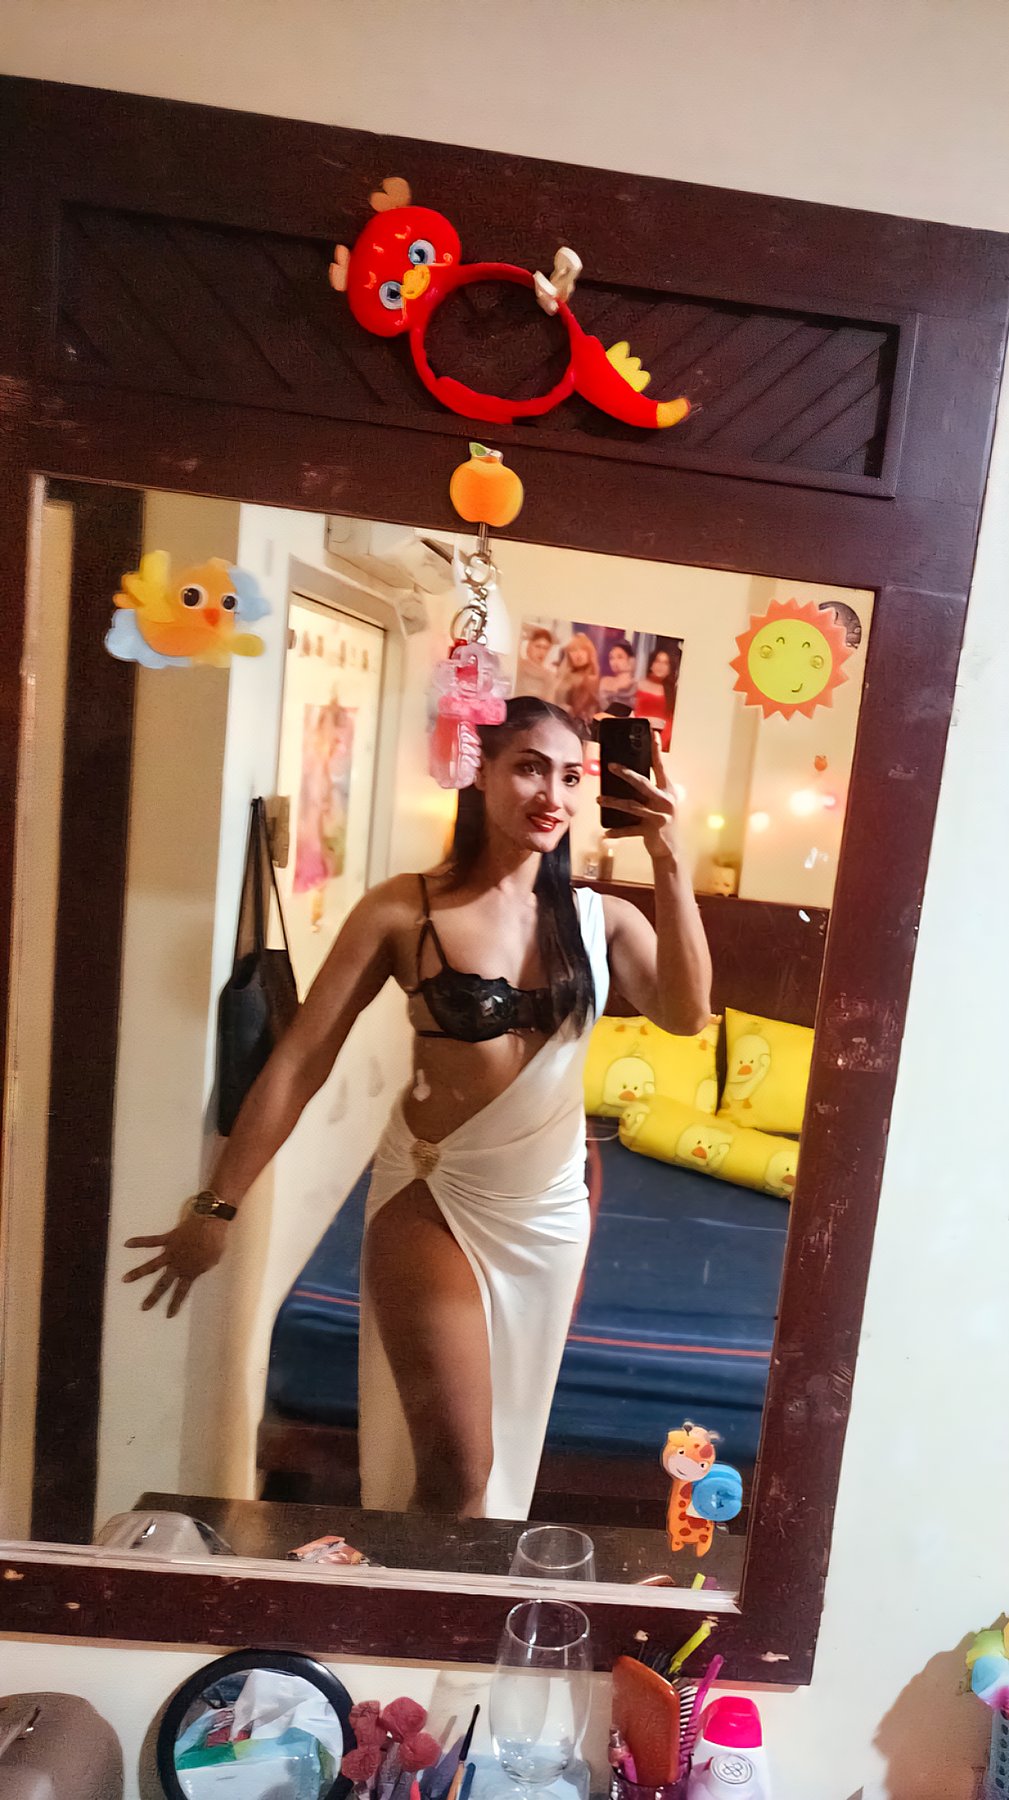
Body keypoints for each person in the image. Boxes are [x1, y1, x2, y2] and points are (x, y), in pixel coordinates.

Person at [124, 697, 711, 1522]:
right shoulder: (404, 910)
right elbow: (301, 1058)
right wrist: (218, 1205)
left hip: (546, 1212)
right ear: (481, 773)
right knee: (460, 1466)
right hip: (434, 1197)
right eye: (529, 768)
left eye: (571, 776)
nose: (553, 795)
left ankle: (424, 1586)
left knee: (498, 1450)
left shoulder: (602, 920)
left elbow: (686, 1013)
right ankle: (415, 1598)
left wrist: (671, 861)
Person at [634, 644, 680, 751]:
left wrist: (660, 744)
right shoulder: (637, 685)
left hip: (661, 741)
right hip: (637, 736)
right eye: (658, 661)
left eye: (665, 663)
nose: (660, 666)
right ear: (651, 665)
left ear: (670, 669)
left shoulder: (672, 692)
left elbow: (671, 721)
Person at [554, 632, 600, 727]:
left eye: (583, 649)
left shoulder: (591, 679)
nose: (578, 654)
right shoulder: (564, 674)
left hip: (574, 726)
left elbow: (577, 711)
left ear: (589, 652)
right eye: (573, 650)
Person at [516, 625, 558, 702]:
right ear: (529, 646)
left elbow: (549, 703)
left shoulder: (549, 676)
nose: (541, 652)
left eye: (545, 648)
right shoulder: (518, 665)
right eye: (538, 646)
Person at [597, 638, 638, 713]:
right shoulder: (605, 681)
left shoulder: (635, 686)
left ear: (630, 659)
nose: (614, 662)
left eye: (620, 657)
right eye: (611, 658)